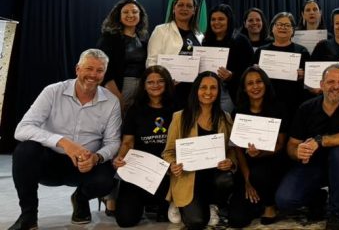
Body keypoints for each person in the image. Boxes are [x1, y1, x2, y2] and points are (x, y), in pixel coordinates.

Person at [10, 49, 121, 230]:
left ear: (104, 73)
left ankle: (81, 198)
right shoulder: (53, 91)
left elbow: (113, 142)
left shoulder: (112, 101)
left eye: (99, 70)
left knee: (107, 179)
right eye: (89, 68)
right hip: (50, 162)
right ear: (78, 69)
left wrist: (96, 158)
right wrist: (63, 142)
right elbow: (22, 129)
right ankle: (28, 216)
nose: (93, 75)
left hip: (86, 165)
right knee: (25, 151)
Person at [275, 64, 339, 230]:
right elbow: (292, 144)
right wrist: (297, 151)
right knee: (285, 201)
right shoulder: (306, 108)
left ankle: (336, 213)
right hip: (313, 165)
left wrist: (319, 140)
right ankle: (317, 197)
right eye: (330, 82)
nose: (336, 86)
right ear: (321, 84)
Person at [162, 71, 236, 229]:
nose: (208, 92)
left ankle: (213, 204)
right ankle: (176, 201)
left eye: (213, 88)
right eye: (203, 87)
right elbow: (168, 152)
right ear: (196, 90)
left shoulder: (225, 117)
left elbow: (230, 149)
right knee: (197, 222)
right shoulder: (180, 117)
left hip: (214, 176)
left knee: (227, 179)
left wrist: (230, 162)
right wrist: (172, 164)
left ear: (219, 91)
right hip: (188, 177)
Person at [112, 66, 176, 227]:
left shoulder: (178, 108)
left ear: (167, 83)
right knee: (125, 220)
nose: (155, 85)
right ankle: (147, 203)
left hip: (168, 170)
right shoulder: (134, 109)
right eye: (150, 82)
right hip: (140, 169)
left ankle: (162, 203)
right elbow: (128, 142)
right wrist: (120, 157)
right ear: (144, 85)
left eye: (160, 81)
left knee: (168, 215)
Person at [227, 66, 288, 227]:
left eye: (259, 82)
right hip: (247, 166)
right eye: (250, 83)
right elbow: (238, 150)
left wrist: (260, 153)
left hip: (272, 163)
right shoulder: (238, 112)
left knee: (259, 174)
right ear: (244, 89)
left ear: (265, 84)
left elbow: (280, 145)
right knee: (236, 220)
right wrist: (247, 180)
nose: (255, 86)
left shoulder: (278, 108)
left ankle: (269, 205)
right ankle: (256, 204)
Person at [147, 0, 203, 109]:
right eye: (180, 5)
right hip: (169, 88)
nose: (184, 8)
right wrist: (160, 81)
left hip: (194, 90)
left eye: (189, 6)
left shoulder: (199, 35)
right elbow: (151, 61)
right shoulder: (161, 30)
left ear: (194, 10)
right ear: (174, 8)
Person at [254, 12, 311, 119]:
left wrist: (304, 76)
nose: (283, 27)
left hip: (293, 104)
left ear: (293, 30)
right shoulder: (261, 51)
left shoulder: (302, 51)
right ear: (272, 28)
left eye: (287, 25)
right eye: (279, 24)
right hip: (267, 103)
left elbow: (310, 82)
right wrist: (255, 72)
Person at [96, 0, 149, 106]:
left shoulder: (143, 38)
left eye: (135, 12)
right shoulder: (109, 38)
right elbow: (105, 71)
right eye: (125, 12)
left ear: (140, 15)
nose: (130, 15)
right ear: (119, 16)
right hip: (117, 89)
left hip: (141, 90)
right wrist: (118, 98)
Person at [203, 3, 254, 113]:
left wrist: (232, 76)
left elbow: (250, 71)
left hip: (232, 94)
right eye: (213, 19)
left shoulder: (241, 41)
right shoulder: (205, 41)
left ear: (229, 21)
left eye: (221, 19)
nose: (216, 22)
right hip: (208, 91)